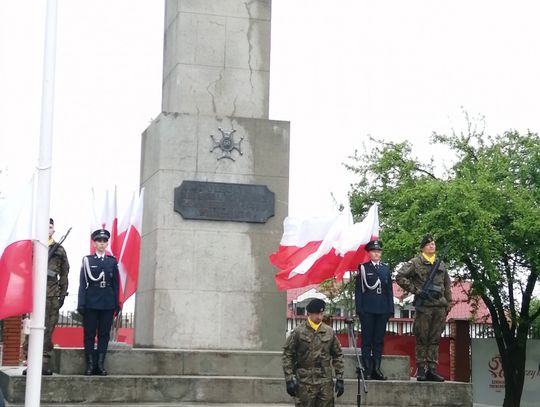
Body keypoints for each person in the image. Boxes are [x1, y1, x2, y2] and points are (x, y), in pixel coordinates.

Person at [395, 234, 452, 382]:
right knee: (422, 337)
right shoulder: (415, 262)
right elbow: (400, 276)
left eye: (433, 244)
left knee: (434, 339)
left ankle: (432, 369)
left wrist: (448, 303)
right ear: (423, 247)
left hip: (439, 305)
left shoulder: (441, 264)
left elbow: (447, 285)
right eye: (429, 244)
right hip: (424, 307)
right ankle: (421, 369)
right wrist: (416, 290)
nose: (432, 246)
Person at [23, 218, 70, 375]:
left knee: (48, 330)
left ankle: (44, 364)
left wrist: (62, 294)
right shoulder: (32, 247)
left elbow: (64, 273)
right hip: (33, 294)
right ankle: (30, 364)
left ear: (53, 230)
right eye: (45, 226)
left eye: (50, 227)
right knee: (31, 330)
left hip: (51, 295)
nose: (47, 229)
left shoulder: (59, 250)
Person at [282, 298, 345, 407]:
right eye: (316, 314)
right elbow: (288, 355)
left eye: (321, 313)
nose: (319, 317)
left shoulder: (329, 332)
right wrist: (289, 379)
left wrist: (340, 378)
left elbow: (337, 355)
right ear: (309, 313)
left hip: (325, 382)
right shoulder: (298, 332)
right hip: (305, 382)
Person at [77, 229, 120, 376]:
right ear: (94, 243)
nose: (102, 244)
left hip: (107, 302)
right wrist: (81, 303)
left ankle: (100, 365)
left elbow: (115, 284)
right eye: (99, 241)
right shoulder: (88, 261)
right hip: (91, 302)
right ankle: (90, 365)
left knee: (104, 334)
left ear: (107, 243)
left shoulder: (112, 261)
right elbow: (83, 284)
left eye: (104, 241)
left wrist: (117, 303)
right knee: (89, 334)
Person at [355, 239, 393, 380]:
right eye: (374, 251)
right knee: (367, 340)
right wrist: (359, 308)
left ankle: (377, 368)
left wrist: (391, 309)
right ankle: (367, 369)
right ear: (369, 253)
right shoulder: (363, 268)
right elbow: (358, 291)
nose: (377, 254)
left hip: (382, 309)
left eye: (378, 251)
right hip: (368, 309)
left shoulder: (385, 268)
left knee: (378, 340)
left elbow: (389, 290)